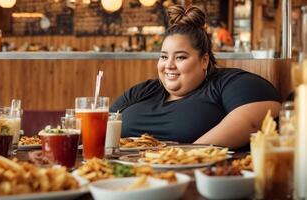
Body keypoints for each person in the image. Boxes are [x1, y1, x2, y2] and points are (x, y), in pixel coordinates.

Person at [110, 5, 281, 150]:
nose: (168, 65)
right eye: (163, 57)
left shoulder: (225, 83)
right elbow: (101, 123)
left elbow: (255, 119)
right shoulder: (144, 90)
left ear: (204, 60)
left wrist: (185, 157)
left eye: (180, 57)